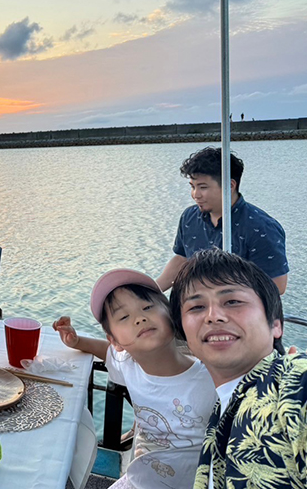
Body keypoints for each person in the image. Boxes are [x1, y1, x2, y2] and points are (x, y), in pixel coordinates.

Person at [53, 269, 216, 489]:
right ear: (115, 340)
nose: (140, 318)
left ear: (171, 313)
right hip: (139, 481)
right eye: (124, 317)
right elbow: (107, 352)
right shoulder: (130, 365)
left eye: (147, 307)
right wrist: (76, 342)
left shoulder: (210, 378)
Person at [168, 248, 307, 488]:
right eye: (196, 307)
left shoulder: (294, 382)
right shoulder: (220, 415)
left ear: (276, 325)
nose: (213, 316)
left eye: (233, 301)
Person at [156, 147, 288, 294]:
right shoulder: (189, 217)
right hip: (196, 303)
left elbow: (277, 284)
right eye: (193, 187)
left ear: (230, 186)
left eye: (203, 187)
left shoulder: (262, 227)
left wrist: (223, 294)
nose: (195, 195)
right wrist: (151, 291)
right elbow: (182, 260)